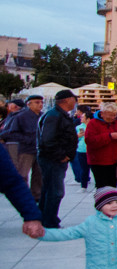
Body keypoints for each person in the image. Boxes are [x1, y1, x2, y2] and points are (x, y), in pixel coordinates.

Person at [36, 89, 79, 229]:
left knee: (49, 189)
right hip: (52, 159)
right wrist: (62, 155)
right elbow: (48, 140)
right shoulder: (54, 116)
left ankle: (45, 218)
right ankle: (49, 221)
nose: (75, 101)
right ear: (66, 100)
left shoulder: (59, 115)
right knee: (55, 191)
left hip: (54, 159)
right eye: (74, 98)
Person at [0, 94, 43, 201]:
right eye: (37, 102)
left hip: (40, 149)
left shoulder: (43, 116)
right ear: (29, 104)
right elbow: (12, 133)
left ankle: (37, 195)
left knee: (39, 175)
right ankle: (23, 195)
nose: (40, 105)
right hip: (26, 149)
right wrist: (27, 139)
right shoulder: (21, 116)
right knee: (23, 174)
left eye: (41, 102)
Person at [84, 103, 117, 189]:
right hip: (98, 161)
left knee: (112, 186)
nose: (112, 118)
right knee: (101, 186)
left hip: (115, 161)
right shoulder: (93, 123)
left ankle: (111, 202)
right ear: (102, 113)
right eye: (110, 115)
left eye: (114, 115)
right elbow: (90, 141)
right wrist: (110, 136)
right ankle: (102, 202)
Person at [70, 110, 91, 191]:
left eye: (83, 117)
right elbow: (74, 138)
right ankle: (83, 186)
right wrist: (77, 136)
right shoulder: (79, 127)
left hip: (92, 150)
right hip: (81, 150)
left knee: (94, 169)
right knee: (83, 169)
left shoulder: (93, 127)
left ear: (88, 119)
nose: (81, 118)